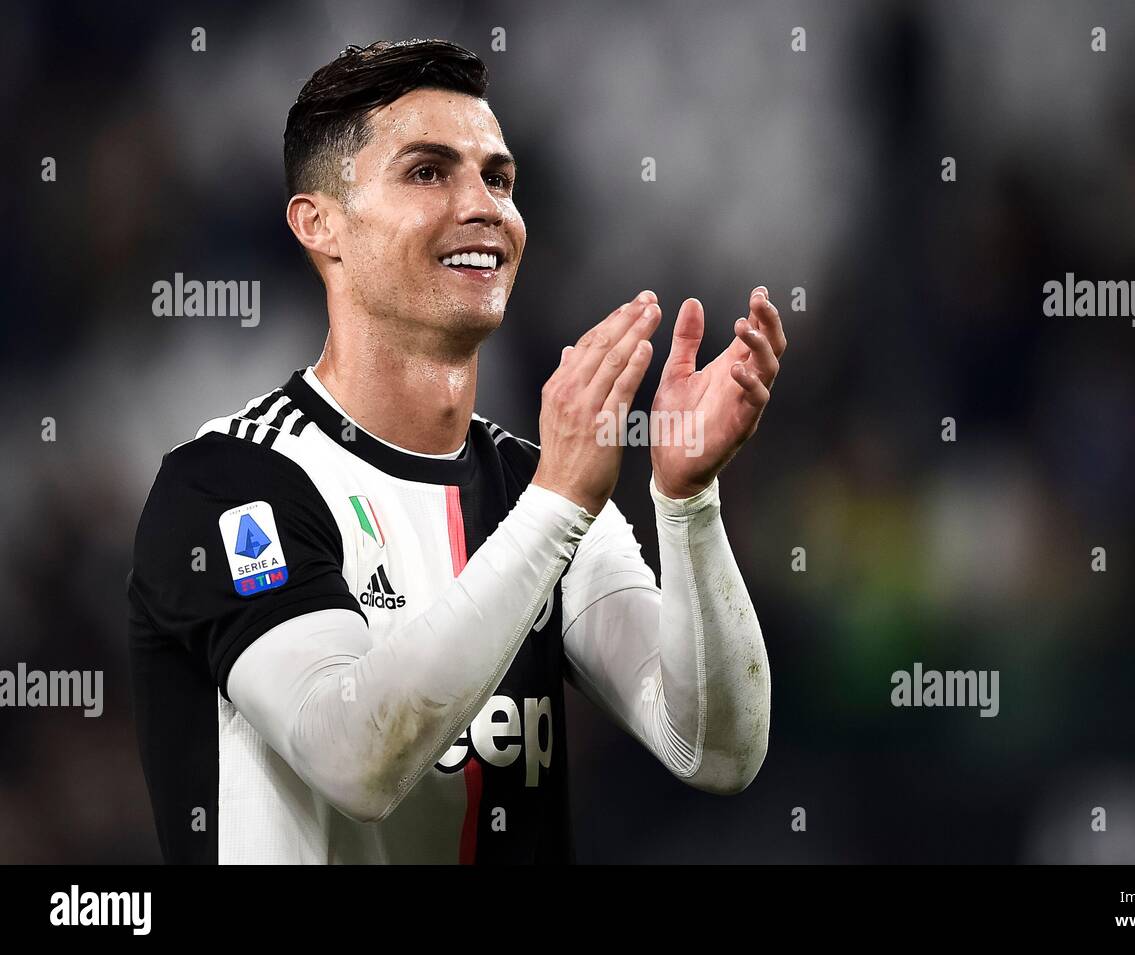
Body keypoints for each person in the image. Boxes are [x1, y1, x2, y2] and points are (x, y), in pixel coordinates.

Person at [127, 38, 785, 864]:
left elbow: (717, 748)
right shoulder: (231, 484)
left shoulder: (533, 485)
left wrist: (688, 504)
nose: (484, 207)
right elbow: (356, 760)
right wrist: (554, 508)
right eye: (429, 171)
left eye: (498, 178)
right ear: (319, 223)